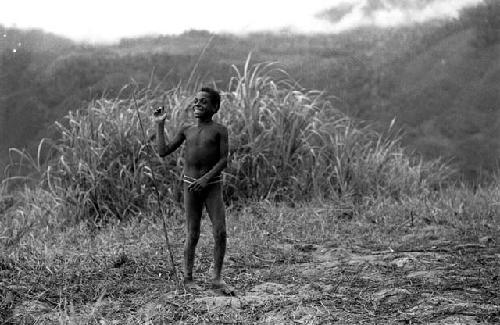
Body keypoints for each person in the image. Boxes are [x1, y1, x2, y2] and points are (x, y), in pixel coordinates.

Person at [154, 87, 232, 294]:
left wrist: (207, 179)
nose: (197, 104)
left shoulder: (219, 130)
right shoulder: (187, 130)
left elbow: (224, 159)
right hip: (190, 186)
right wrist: (160, 125)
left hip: (212, 185)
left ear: (215, 107)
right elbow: (163, 151)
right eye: (196, 101)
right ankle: (188, 278)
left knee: (220, 231)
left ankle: (217, 278)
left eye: (204, 102)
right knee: (193, 233)